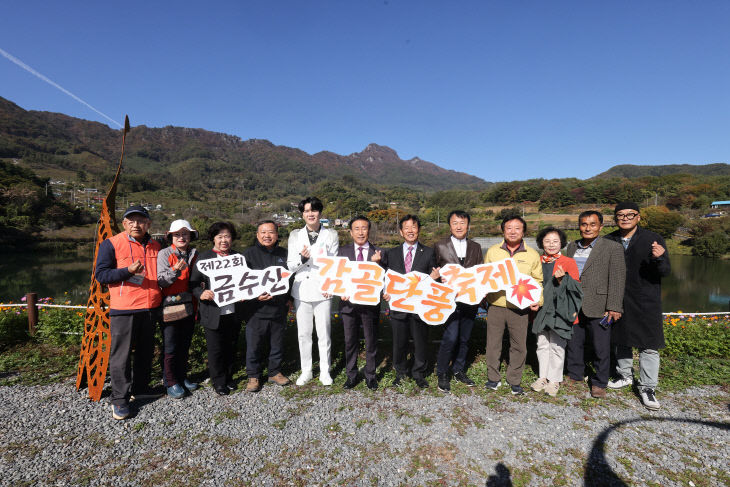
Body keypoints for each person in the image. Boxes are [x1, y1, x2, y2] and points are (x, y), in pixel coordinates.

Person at [95, 206, 162, 420]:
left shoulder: (156, 245)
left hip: (151, 307)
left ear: (148, 223)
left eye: (140, 220)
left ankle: (140, 388)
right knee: (121, 357)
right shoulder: (111, 244)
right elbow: (102, 275)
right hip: (124, 309)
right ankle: (119, 399)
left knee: (145, 351)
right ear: (124, 224)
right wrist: (127, 271)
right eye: (131, 221)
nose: (136, 224)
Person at [605, 202, 671, 410]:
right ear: (616, 219)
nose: (625, 218)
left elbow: (665, 271)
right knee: (620, 338)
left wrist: (659, 259)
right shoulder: (609, 240)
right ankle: (624, 375)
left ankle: (648, 386)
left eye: (630, 214)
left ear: (638, 217)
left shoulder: (653, 239)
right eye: (620, 215)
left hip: (646, 299)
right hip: (618, 298)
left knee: (649, 344)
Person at [565, 210, 626, 399]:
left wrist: (614, 306)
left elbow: (617, 279)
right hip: (574, 303)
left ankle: (600, 382)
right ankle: (575, 374)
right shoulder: (572, 246)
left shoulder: (612, 247)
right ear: (579, 226)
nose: (588, 228)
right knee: (574, 342)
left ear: (601, 226)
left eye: (592, 224)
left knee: (601, 346)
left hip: (599, 303)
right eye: (584, 224)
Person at [484, 216, 543, 395]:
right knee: (493, 344)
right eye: (509, 228)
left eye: (517, 228)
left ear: (523, 231)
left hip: (520, 307)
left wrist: (537, 300)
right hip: (496, 304)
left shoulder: (532, 254)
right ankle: (493, 378)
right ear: (503, 230)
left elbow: (538, 280)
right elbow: (485, 276)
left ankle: (514, 380)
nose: (512, 231)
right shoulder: (493, 252)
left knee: (519, 345)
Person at [381, 214, 439, 389]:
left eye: (414, 227)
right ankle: (400, 372)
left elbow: (433, 280)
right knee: (399, 341)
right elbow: (385, 278)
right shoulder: (391, 253)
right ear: (401, 232)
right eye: (406, 228)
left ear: (419, 230)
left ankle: (419, 373)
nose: (410, 231)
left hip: (420, 306)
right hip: (399, 306)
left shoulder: (429, 252)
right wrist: (386, 292)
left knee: (421, 341)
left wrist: (434, 278)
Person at [189, 222, 246, 396]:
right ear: (213, 238)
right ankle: (218, 381)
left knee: (231, 346)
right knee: (215, 349)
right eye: (220, 236)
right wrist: (201, 293)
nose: (224, 240)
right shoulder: (204, 258)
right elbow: (193, 283)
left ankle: (229, 378)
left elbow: (246, 280)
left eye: (227, 236)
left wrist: (245, 292)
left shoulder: (238, 257)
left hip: (233, 311)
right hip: (212, 311)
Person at [287, 197, 339, 386]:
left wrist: (330, 285)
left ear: (320, 213)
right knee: (303, 333)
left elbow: (334, 264)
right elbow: (290, 265)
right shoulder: (294, 235)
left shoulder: (331, 234)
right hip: (301, 289)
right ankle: (306, 370)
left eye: (314, 210)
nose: (310, 214)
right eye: (306, 211)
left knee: (324, 332)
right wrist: (301, 258)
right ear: (302, 214)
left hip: (324, 290)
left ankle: (325, 371)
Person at [433, 210, 483, 393]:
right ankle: (442, 372)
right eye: (455, 223)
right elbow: (433, 273)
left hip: (470, 299)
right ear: (450, 225)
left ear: (468, 225)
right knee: (450, 336)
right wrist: (438, 280)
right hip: (449, 300)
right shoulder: (439, 246)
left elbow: (480, 272)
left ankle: (459, 369)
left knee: (464, 338)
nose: (459, 226)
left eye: (463, 223)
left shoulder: (476, 247)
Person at [241, 220, 292, 393]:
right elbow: (240, 282)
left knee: (277, 343)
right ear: (257, 235)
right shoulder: (247, 255)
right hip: (255, 309)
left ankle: (274, 372)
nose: (267, 235)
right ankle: (253, 375)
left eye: (270, 232)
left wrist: (290, 298)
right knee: (254, 345)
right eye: (263, 232)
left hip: (278, 307)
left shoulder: (285, 254)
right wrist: (254, 296)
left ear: (277, 235)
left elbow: (291, 279)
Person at [530, 227, 582, 397]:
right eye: (547, 241)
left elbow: (576, 289)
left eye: (555, 241)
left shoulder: (568, 262)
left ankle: (554, 380)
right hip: (541, 310)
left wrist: (562, 279)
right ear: (541, 243)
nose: (551, 245)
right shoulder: (537, 260)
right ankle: (542, 377)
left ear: (562, 243)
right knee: (542, 344)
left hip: (559, 311)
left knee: (558, 346)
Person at [337, 216, 384, 390]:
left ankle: (370, 375)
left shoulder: (379, 252)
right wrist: (340, 290)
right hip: (348, 305)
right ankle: (351, 375)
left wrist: (378, 264)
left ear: (369, 231)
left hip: (369, 305)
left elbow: (385, 278)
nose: (360, 232)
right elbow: (337, 277)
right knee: (350, 341)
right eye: (356, 228)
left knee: (371, 341)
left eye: (364, 228)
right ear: (350, 232)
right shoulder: (342, 252)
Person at [157, 219, 199, 399]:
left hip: (190, 305)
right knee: (171, 345)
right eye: (177, 234)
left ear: (190, 236)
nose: (181, 237)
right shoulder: (164, 254)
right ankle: (171, 381)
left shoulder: (194, 253)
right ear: (171, 236)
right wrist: (174, 270)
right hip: (170, 306)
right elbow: (161, 280)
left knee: (184, 343)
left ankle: (182, 376)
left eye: (185, 234)